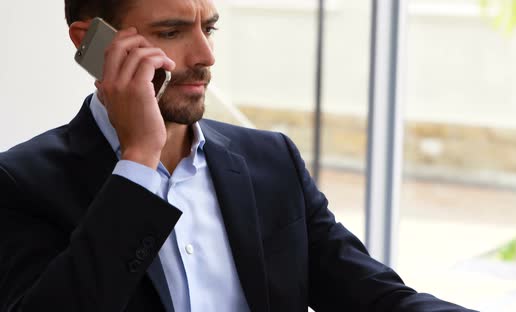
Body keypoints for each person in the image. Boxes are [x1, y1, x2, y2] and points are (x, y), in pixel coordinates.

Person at [0, 0, 477, 311]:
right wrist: (139, 159)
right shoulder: (22, 182)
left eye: (209, 28)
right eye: (172, 31)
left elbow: (376, 298)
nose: (205, 55)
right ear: (91, 43)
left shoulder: (271, 161)